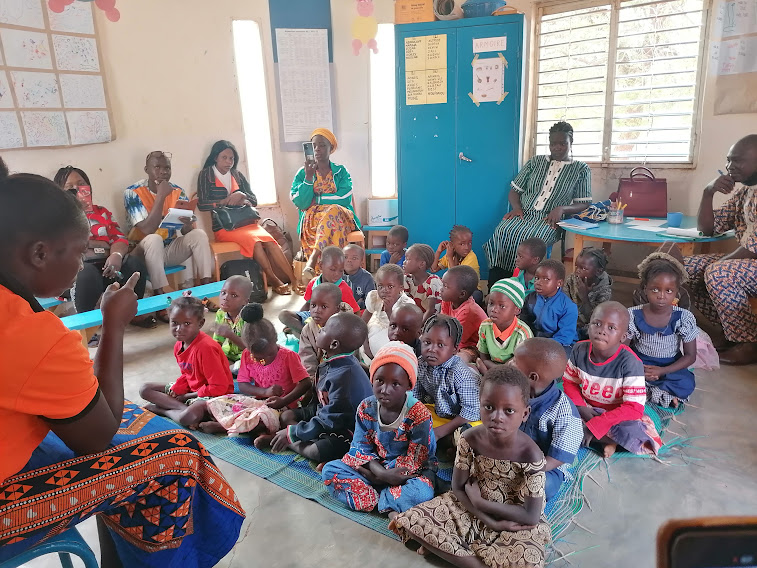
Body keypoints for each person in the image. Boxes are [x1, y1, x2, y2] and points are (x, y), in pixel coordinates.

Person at [0, 159, 244, 566]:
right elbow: (97, 437)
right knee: (176, 456)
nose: (82, 263)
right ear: (39, 253)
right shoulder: (30, 334)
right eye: (79, 252)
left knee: (135, 421)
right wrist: (113, 324)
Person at [390, 366, 551, 568]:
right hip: (468, 508)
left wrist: (482, 503)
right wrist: (487, 518)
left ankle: (448, 551)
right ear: (479, 404)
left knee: (529, 559)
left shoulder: (531, 454)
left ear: (525, 413)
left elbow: (531, 516)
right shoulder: (469, 438)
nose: (497, 417)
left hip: (513, 518)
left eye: (509, 411)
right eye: (489, 407)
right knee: (414, 519)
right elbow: (458, 488)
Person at [322, 342, 437, 517]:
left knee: (421, 493)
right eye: (380, 380)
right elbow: (360, 448)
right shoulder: (366, 407)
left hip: (406, 474)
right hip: (375, 468)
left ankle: (376, 497)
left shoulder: (419, 414)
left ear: (408, 385)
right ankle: (389, 502)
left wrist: (386, 475)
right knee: (330, 471)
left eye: (395, 384)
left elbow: (418, 459)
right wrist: (381, 473)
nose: (385, 390)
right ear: (372, 378)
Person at [484, 121, 592, 286]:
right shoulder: (535, 162)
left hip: (549, 219)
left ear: (571, 142)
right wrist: (517, 208)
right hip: (524, 213)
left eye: (562, 143)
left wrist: (562, 209)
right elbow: (514, 190)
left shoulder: (580, 169)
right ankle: (498, 284)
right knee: (502, 231)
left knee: (533, 241)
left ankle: (527, 286)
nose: (557, 148)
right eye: (553, 144)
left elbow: (584, 203)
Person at [684, 134, 757, 365]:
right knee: (686, 267)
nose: (729, 166)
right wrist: (708, 192)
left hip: (752, 260)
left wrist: (717, 266)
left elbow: (753, 248)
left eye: (738, 160)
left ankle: (749, 344)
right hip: (749, 264)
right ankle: (731, 332)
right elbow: (708, 228)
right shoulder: (745, 192)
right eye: (728, 160)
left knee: (718, 272)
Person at [53, 166, 152, 332]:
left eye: (81, 184)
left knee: (134, 265)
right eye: (70, 188)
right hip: (75, 275)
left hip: (107, 268)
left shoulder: (102, 213)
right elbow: (68, 246)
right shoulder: (57, 218)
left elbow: (119, 238)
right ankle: (87, 328)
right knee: (87, 273)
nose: (77, 189)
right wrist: (78, 215)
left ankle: (132, 312)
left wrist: (116, 254)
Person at [266, 313, 373, 463]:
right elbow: (320, 403)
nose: (320, 329)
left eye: (324, 329)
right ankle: (292, 438)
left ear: (334, 344)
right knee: (286, 416)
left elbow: (332, 419)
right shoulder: (333, 361)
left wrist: (294, 433)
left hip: (346, 428)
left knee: (318, 451)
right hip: (324, 413)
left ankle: (288, 441)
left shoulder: (345, 376)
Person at [563, 302, 662, 459]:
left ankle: (602, 439)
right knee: (557, 412)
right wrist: (581, 408)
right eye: (597, 324)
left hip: (617, 414)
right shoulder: (579, 350)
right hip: (587, 407)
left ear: (623, 337)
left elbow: (633, 408)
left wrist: (597, 424)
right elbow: (569, 382)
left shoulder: (630, 362)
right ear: (588, 326)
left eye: (611, 328)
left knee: (636, 433)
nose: (602, 330)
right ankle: (607, 440)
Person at [199, 304, 312, 440]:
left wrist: (283, 400)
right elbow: (242, 385)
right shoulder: (247, 355)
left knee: (264, 418)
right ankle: (248, 428)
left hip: (284, 405)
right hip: (258, 402)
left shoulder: (288, 356)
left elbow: (306, 383)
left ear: (276, 339)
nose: (263, 360)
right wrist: (264, 392)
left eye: (269, 354)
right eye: (257, 357)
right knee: (222, 402)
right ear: (248, 348)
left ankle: (223, 427)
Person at [197, 140, 295, 295]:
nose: (228, 162)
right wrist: (223, 202)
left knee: (270, 241)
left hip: (247, 223)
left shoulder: (237, 175)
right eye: (224, 158)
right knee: (255, 242)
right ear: (215, 157)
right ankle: (275, 280)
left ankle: (294, 280)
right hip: (224, 227)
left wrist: (242, 195)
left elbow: (254, 200)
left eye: (231, 158)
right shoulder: (206, 175)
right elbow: (202, 205)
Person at [124, 150, 214, 319]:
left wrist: (187, 223)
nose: (163, 172)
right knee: (154, 238)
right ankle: (161, 301)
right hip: (142, 253)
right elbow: (147, 229)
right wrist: (161, 196)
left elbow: (186, 232)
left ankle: (206, 292)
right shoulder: (133, 192)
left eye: (167, 168)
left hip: (169, 249)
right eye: (157, 167)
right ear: (146, 170)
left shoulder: (177, 191)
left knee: (199, 234)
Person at [139, 296, 234, 428]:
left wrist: (186, 396)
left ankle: (161, 410)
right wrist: (178, 388)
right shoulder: (179, 345)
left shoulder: (206, 348)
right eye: (174, 322)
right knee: (145, 389)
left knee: (187, 417)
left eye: (187, 323)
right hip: (192, 391)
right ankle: (182, 408)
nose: (179, 328)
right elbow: (187, 374)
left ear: (200, 324)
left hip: (214, 395)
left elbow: (219, 387)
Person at [512, 338, 582, 502]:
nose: (510, 364)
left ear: (532, 377)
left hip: (545, 465)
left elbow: (557, 458)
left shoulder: (564, 412)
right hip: (510, 451)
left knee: (544, 485)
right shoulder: (511, 390)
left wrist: (527, 469)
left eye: (515, 362)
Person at [627, 253, 698, 409]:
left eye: (668, 291)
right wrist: (638, 368)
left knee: (686, 381)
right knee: (617, 373)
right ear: (645, 289)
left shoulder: (684, 317)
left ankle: (645, 392)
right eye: (655, 289)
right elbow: (623, 349)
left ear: (676, 292)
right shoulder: (632, 314)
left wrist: (663, 370)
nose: (661, 296)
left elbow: (691, 356)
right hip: (639, 364)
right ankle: (658, 393)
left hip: (670, 366)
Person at [290, 128, 360, 281]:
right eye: (314, 145)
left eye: (321, 145)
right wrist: (308, 178)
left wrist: (318, 200)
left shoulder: (341, 171)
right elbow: (301, 202)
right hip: (313, 220)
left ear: (330, 148)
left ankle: (314, 259)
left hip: (341, 216)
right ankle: (335, 277)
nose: (317, 149)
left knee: (333, 211)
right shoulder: (303, 173)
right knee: (330, 225)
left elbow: (344, 198)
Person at [415, 315, 481, 449]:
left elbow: (472, 411)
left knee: (470, 434)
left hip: (469, 416)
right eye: (427, 342)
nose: (431, 349)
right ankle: (448, 439)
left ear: (454, 349)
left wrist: (439, 432)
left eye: (440, 345)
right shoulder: (421, 364)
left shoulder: (460, 373)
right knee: (414, 420)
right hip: (442, 412)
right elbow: (416, 398)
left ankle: (450, 439)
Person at [279, 245, 360, 336]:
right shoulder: (313, 283)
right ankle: (308, 334)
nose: (337, 274)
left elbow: (356, 311)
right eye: (333, 269)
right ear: (321, 265)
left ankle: (309, 335)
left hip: (331, 323)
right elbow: (308, 304)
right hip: (312, 318)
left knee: (296, 331)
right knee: (283, 315)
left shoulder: (343, 288)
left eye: (341, 271)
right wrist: (298, 320)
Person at [521, 259, 578, 356]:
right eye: (537, 278)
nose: (538, 282)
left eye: (546, 279)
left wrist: (541, 346)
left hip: (560, 344)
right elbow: (524, 322)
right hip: (535, 339)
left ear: (559, 283)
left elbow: (565, 337)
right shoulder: (530, 298)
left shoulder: (568, 307)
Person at [475, 278, 532, 373]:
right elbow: (484, 357)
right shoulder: (485, 326)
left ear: (516, 310)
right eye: (491, 303)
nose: (494, 309)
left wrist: (488, 370)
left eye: (502, 306)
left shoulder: (522, 333)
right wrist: (485, 365)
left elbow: (517, 364)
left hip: (512, 372)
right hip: (490, 366)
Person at [362, 263, 416, 360]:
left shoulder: (406, 304)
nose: (384, 290)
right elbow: (363, 321)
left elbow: (401, 331)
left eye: (390, 286)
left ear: (401, 288)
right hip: (375, 327)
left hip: (396, 333)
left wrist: (389, 310)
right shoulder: (375, 298)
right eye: (380, 286)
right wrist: (365, 345)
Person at [440, 265, 487, 363]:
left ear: (462, 294)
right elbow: (441, 323)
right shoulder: (448, 300)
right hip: (454, 340)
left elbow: (457, 340)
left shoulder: (469, 311)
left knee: (456, 360)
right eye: (442, 284)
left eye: (445, 286)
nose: (441, 289)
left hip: (474, 347)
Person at [563, 247, 613, 340]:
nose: (577, 271)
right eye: (576, 266)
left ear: (598, 271)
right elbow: (564, 303)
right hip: (571, 321)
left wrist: (584, 297)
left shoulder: (605, 290)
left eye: (583, 268)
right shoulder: (571, 279)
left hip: (589, 327)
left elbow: (596, 318)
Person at [299, 283, 344, 381]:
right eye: (313, 305)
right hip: (319, 376)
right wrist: (313, 381)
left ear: (337, 309)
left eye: (324, 306)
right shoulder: (308, 330)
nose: (316, 310)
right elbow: (307, 359)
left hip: (342, 374)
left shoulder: (345, 328)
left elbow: (350, 359)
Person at [211, 275, 253, 366]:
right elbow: (218, 341)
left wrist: (230, 335)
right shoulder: (221, 313)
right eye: (223, 293)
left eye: (234, 295)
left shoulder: (249, 318)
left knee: (247, 364)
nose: (225, 298)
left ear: (245, 301)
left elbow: (251, 349)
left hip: (248, 355)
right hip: (229, 353)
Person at [403, 243, 442, 321]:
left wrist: (418, 326)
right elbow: (405, 304)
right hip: (414, 319)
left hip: (432, 321)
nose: (404, 262)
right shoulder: (407, 279)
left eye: (408, 259)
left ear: (421, 264)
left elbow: (430, 311)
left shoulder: (433, 282)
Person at [343, 243, 375, 311]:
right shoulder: (336, 275)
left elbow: (371, 301)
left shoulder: (367, 278)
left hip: (359, 312)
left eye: (354, 258)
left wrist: (358, 305)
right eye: (345, 257)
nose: (349, 260)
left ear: (361, 261)